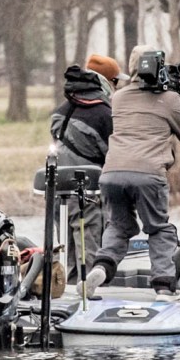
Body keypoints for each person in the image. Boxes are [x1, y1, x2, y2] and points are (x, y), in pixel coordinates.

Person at [80, 44, 180, 300]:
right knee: (159, 229)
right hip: (148, 174)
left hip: (112, 173)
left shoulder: (118, 97)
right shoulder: (169, 99)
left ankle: (101, 268)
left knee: (119, 226)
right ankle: (164, 287)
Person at [49, 54, 122, 282]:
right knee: (90, 256)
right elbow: (115, 157)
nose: (117, 87)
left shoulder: (62, 109)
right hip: (88, 195)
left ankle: (68, 292)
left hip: (58, 193)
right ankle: (90, 296)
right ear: (106, 82)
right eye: (116, 81)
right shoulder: (105, 115)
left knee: (67, 254)